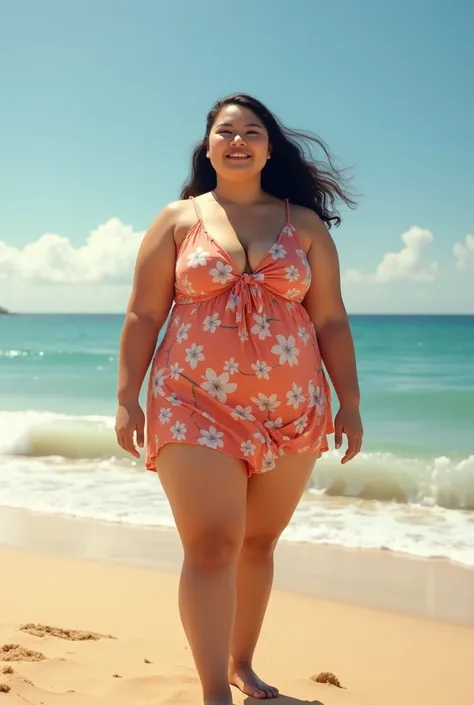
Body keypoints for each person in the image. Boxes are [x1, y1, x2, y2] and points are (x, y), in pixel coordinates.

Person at [115, 93, 363, 705]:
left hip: (293, 404)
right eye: (226, 131)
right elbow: (145, 312)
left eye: (252, 131)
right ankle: (212, 693)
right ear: (208, 146)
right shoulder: (178, 219)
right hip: (191, 398)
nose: (238, 140)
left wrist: (349, 402)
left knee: (257, 544)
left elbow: (329, 319)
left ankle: (242, 666)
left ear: (269, 147)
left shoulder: (302, 225)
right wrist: (128, 397)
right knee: (213, 542)